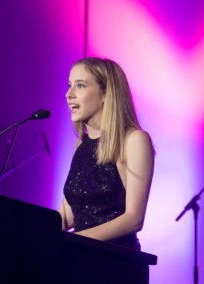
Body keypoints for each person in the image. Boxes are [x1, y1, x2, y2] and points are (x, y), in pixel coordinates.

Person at [59, 57, 154, 250]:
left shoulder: (134, 140)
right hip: (78, 256)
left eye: (80, 85)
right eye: (70, 85)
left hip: (114, 264)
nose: (69, 94)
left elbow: (134, 219)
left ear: (106, 94)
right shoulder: (81, 146)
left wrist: (73, 241)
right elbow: (67, 217)